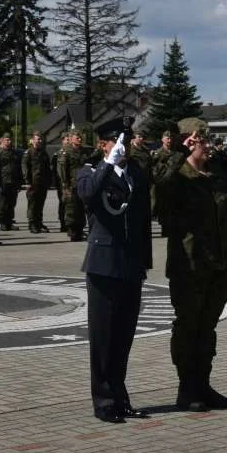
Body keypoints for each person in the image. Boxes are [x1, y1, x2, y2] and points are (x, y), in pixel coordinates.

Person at [155, 117, 227, 411]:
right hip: (189, 266)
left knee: (207, 329)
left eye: (207, 139)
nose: (208, 145)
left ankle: (203, 384)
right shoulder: (177, 177)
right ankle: (187, 388)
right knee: (188, 328)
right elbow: (159, 198)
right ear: (189, 141)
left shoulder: (215, 174)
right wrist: (177, 154)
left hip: (219, 265)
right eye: (202, 139)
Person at [78, 117, 153, 424]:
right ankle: (104, 400)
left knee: (123, 337)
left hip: (130, 264)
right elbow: (87, 194)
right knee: (103, 337)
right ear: (103, 144)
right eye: (115, 142)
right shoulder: (90, 171)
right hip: (104, 266)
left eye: (126, 141)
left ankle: (120, 397)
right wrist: (107, 162)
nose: (122, 147)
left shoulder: (135, 173)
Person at [61, 129, 94, 241]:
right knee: (71, 209)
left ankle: (80, 230)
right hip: (71, 185)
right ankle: (72, 231)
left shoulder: (84, 151)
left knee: (81, 209)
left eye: (80, 138)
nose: (80, 139)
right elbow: (62, 169)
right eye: (77, 138)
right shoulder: (66, 151)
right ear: (70, 139)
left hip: (82, 183)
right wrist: (65, 185)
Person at [22, 132, 52, 233]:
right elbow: (25, 168)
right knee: (32, 204)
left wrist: (49, 181)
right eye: (37, 139)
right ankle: (32, 224)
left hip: (42, 183)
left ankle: (39, 222)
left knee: (40, 204)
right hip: (32, 183)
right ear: (33, 140)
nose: (39, 141)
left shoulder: (43, 153)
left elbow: (48, 168)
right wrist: (27, 182)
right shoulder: (28, 153)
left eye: (40, 139)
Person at [150, 130, 174, 236]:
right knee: (157, 205)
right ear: (162, 139)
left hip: (172, 183)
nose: (169, 140)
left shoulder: (174, 152)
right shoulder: (158, 153)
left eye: (170, 138)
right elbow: (153, 167)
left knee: (169, 206)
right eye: (167, 138)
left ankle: (167, 228)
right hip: (160, 183)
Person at [0, 134, 21, 232]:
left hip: (13, 181)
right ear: (2, 141)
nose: (9, 142)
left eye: (10, 140)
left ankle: (9, 222)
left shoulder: (14, 153)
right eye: (7, 140)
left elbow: (18, 168)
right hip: (3, 181)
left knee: (12, 203)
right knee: (3, 203)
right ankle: (3, 222)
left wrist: (20, 182)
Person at [53, 133, 69, 232]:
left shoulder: (71, 152)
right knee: (63, 203)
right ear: (62, 141)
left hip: (70, 182)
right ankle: (63, 223)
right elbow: (55, 170)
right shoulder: (58, 154)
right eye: (66, 139)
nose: (68, 141)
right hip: (61, 183)